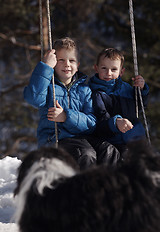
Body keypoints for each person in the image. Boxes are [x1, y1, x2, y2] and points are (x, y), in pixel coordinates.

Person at [24, 38, 120, 169]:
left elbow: (91, 123)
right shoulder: (48, 86)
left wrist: (66, 116)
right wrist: (45, 67)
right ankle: (84, 188)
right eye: (61, 60)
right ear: (53, 63)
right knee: (85, 154)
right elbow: (34, 98)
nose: (67, 64)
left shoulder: (85, 90)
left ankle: (107, 186)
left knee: (109, 150)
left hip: (83, 138)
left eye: (72, 60)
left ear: (78, 64)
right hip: (55, 139)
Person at [89, 48, 149, 157]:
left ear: (121, 72)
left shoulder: (126, 89)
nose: (108, 73)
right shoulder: (95, 92)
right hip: (111, 139)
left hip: (133, 137)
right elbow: (100, 119)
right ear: (96, 68)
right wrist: (115, 123)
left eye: (113, 69)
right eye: (104, 68)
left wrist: (141, 89)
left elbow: (139, 106)